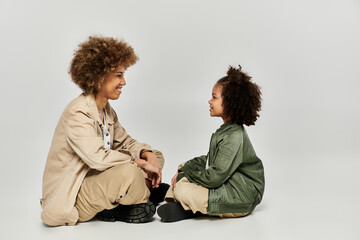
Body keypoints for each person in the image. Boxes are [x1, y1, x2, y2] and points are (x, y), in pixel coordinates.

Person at [41, 36, 169, 226]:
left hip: (96, 179)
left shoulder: (106, 110)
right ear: (98, 76)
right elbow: (97, 158)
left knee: (156, 156)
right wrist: (139, 164)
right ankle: (133, 200)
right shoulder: (77, 113)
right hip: (73, 195)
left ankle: (136, 195)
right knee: (130, 172)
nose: (123, 82)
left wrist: (147, 154)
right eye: (118, 75)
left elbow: (125, 143)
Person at [157, 65, 265, 222]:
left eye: (214, 97)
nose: (209, 101)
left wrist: (185, 176)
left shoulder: (233, 136)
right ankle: (187, 205)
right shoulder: (227, 130)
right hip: (229, 182)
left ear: (230, 102)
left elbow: (215, 178)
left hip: (241, 196)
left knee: (183, 187)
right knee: (184, 166)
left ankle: (188, 205)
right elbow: (210, 160)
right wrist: (187, 168)